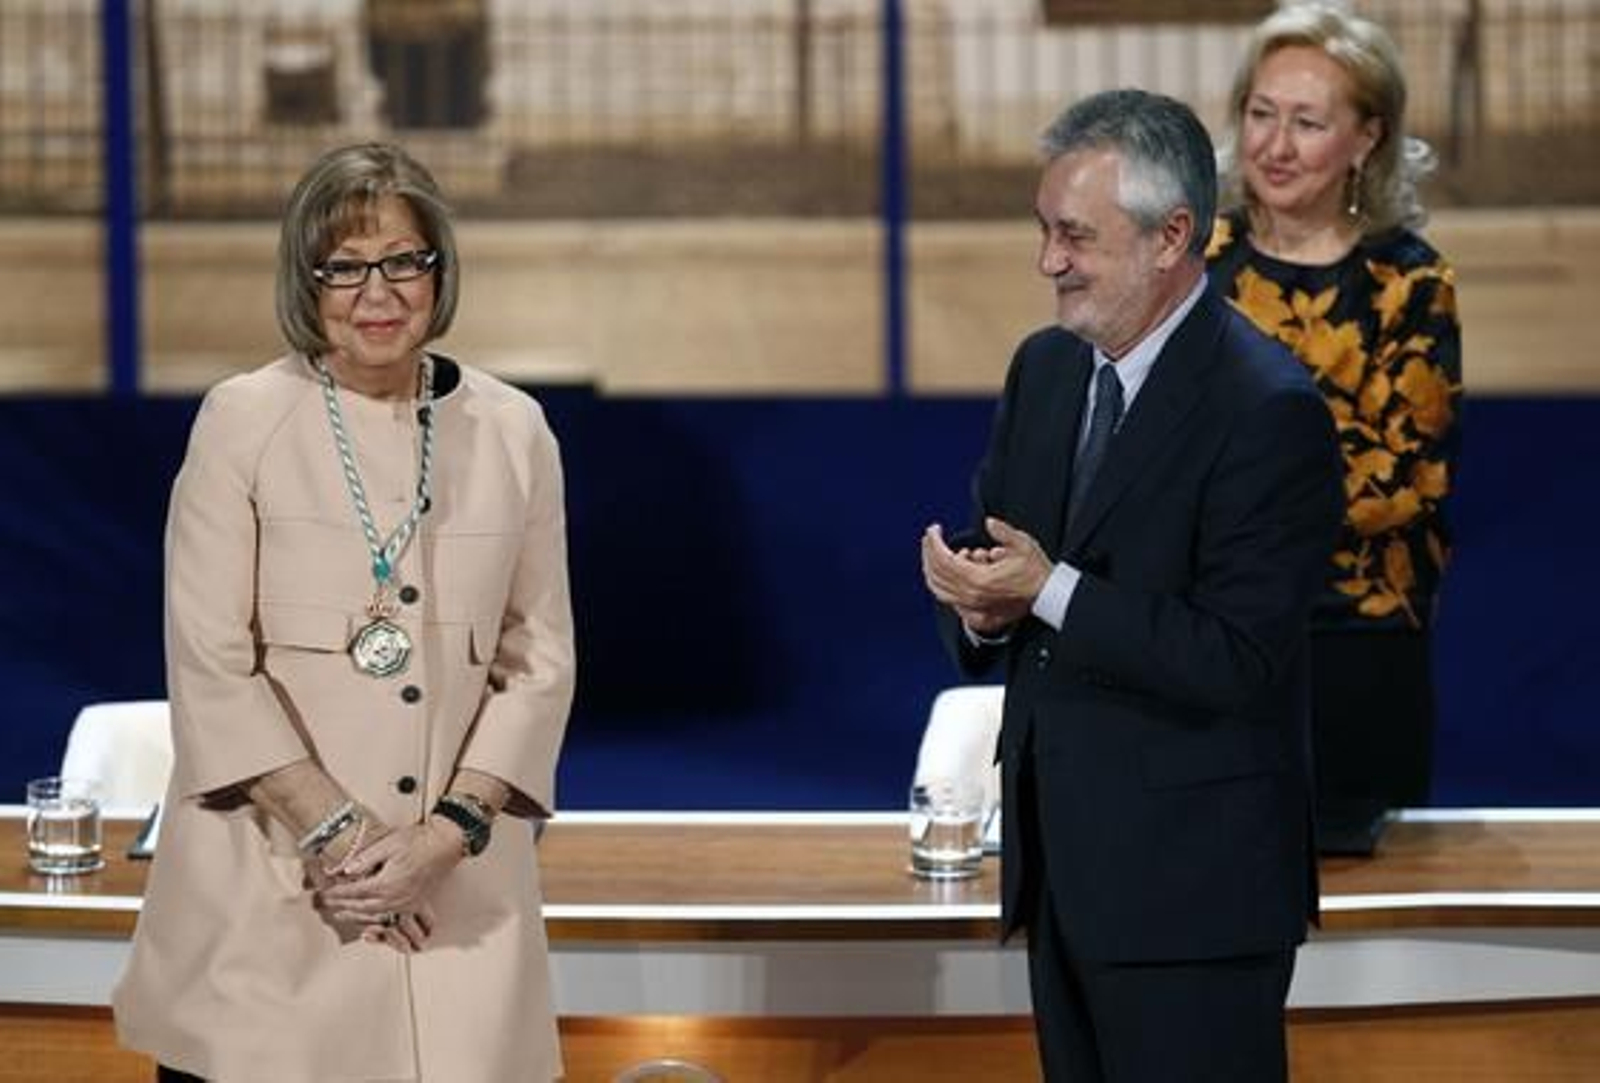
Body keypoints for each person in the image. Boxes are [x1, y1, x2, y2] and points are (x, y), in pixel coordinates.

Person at [112, 142, 576, 1082]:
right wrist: (350, 842)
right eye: (345, 268)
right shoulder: (241, 419)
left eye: (404, 261)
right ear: (306, 280)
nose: (379, 292)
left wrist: (443, 840)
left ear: (437, 272)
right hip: (279, 894)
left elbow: (539, 660)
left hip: (456, 904)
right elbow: (209, 659)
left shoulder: (514, 429)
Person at [920, 89, 1343, 1082]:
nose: (1048, 261)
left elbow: (1237, 658)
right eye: (1042, 230)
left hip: (1196, 894)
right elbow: (1009, 572)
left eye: (1075, 235)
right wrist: (977, 607)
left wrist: (1049, 588)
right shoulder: (1046, 372)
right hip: (1063, 874)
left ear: (1172, 237)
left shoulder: (1266, 409)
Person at [1208, 3, 1462, 833]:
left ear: (1365, 140)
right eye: (1261, 114)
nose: (1275, 147)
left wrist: (1236, 497)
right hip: (1204, 644)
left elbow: (1405, 480)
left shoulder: (1409, 284)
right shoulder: (1191, 268)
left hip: (1355, 648)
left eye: (1308, 123)